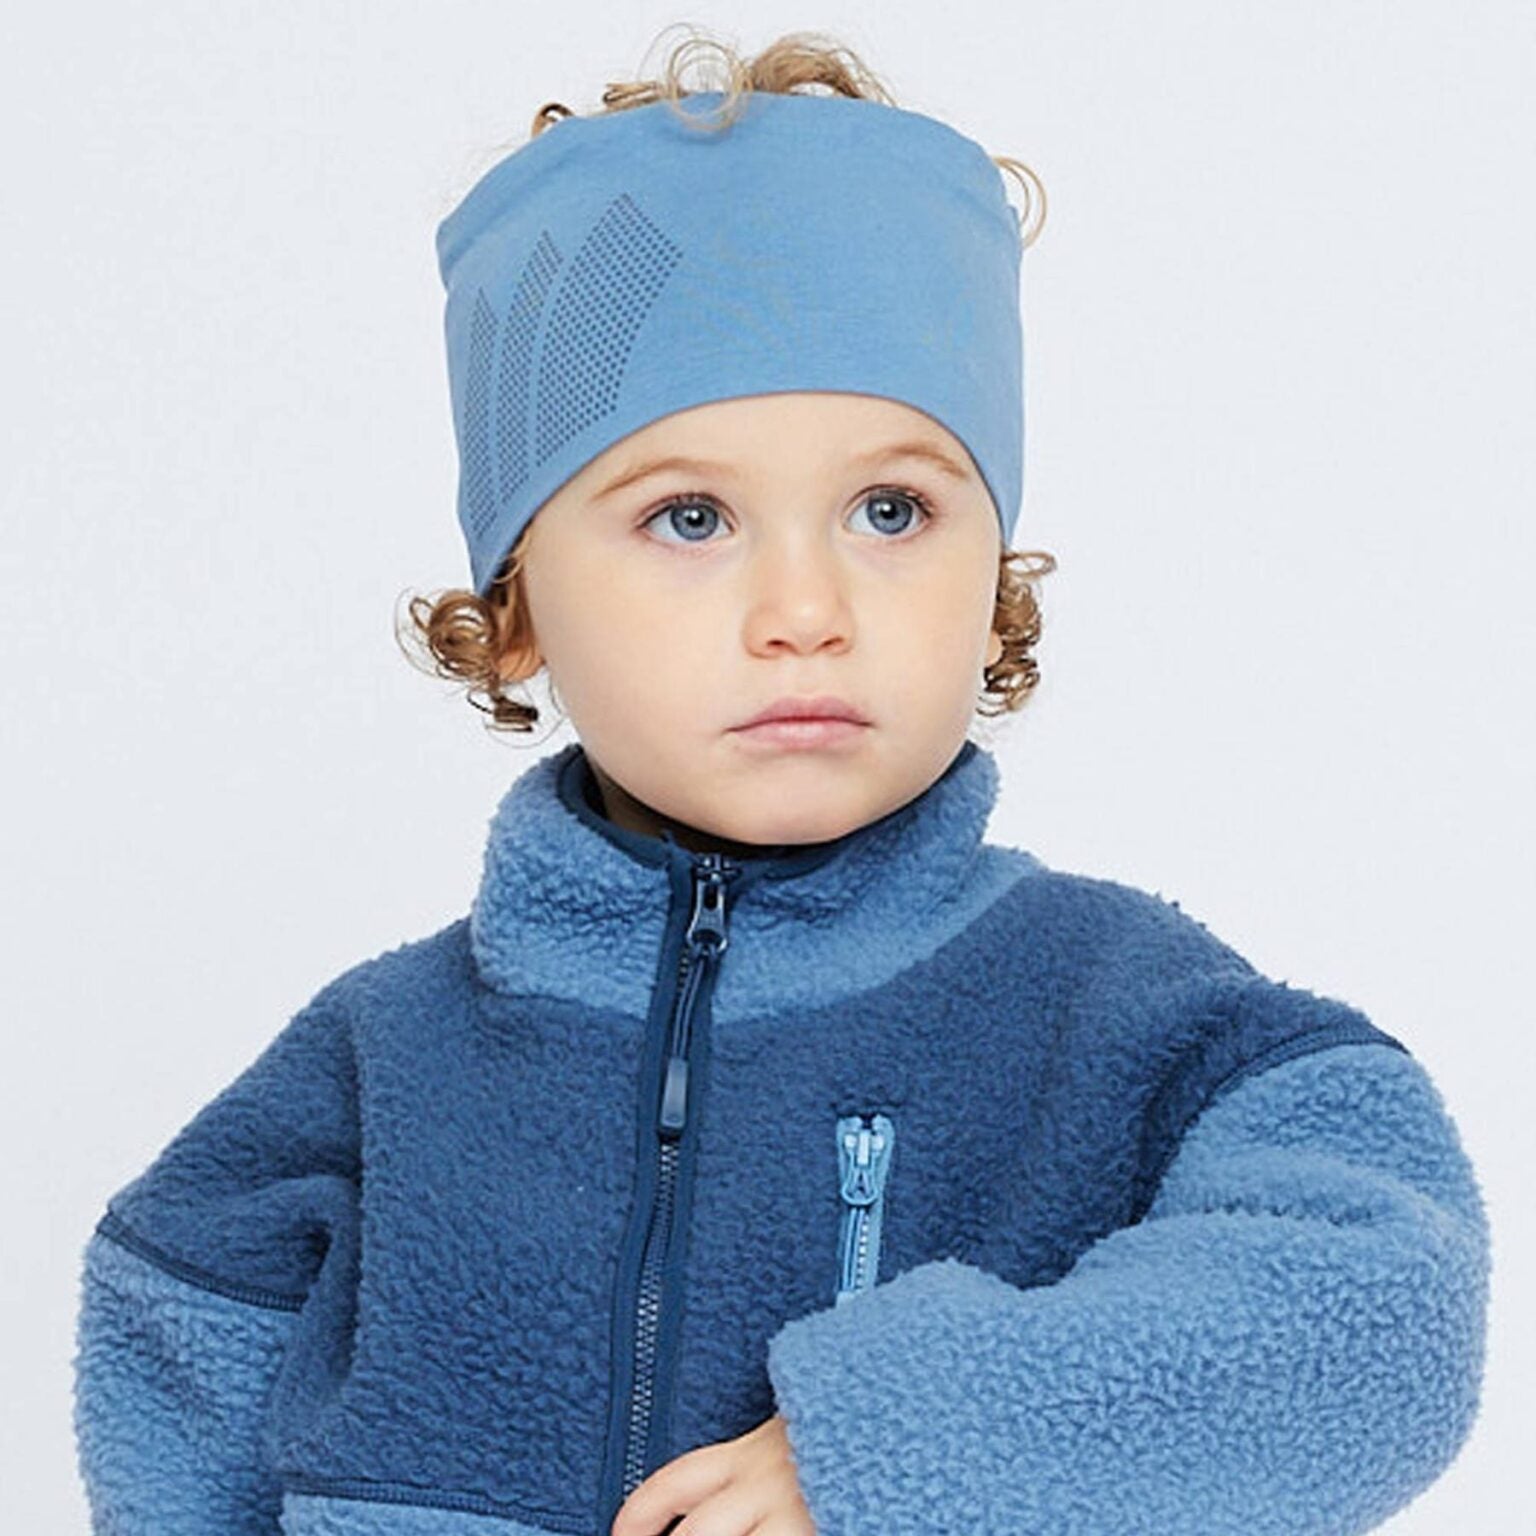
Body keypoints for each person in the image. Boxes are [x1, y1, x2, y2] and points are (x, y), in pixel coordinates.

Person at [69, 30, 1490, 1536]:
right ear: (518, 607)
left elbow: (1384, 1308)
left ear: (994, 580)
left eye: (892, 511)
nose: (806, 609)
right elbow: (173, 1374)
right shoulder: (384, 1061)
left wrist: (902, 1447)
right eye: (689, 518)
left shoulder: (1118, 1011)